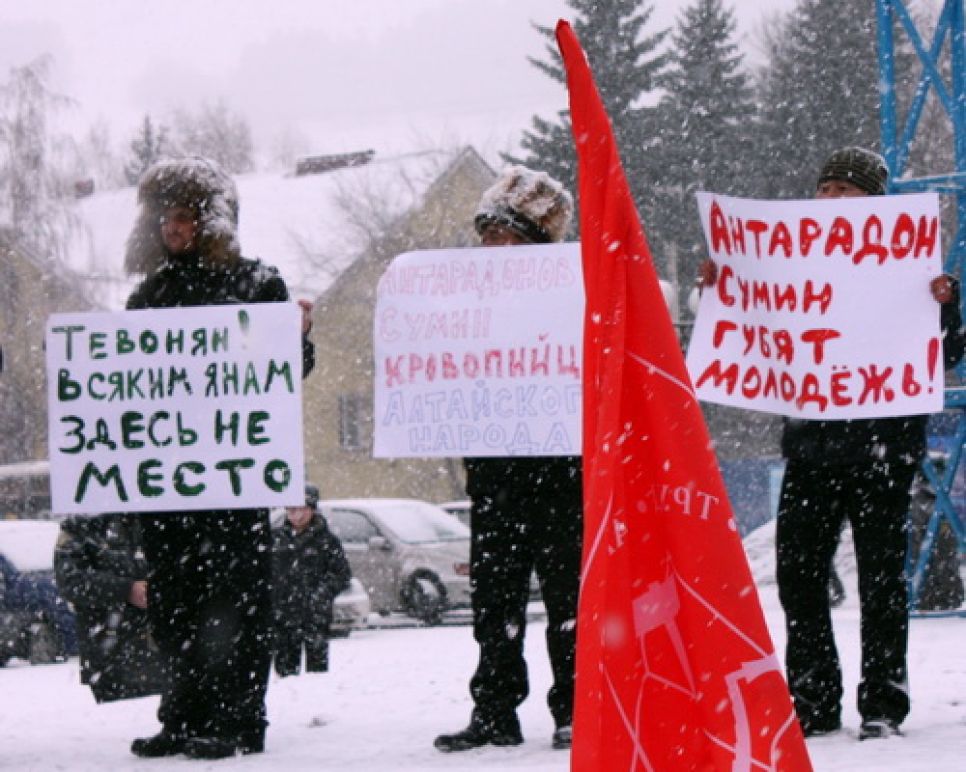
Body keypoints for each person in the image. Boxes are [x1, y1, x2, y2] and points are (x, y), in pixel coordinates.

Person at [698, 147, 964, 741]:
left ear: (874, 202)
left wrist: (946, 306)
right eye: (826, 188)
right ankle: (813, 700)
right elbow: (744, 319)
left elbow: (945, 355)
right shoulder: (785, 259)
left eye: (847, 189)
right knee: (799, 579)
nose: (832, 199)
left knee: (882, 582)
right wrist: (719, 287)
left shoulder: (906, 263)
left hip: (884, 451)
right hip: (811, 450)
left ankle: (882, 703)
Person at [124, 157, 315, 760]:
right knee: (177, 605)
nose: (171, 231)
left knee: (233, 606)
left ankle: (237, 720)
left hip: (233, 484)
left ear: (210, 222)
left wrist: (298, 337)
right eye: (163, 220)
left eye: (182, 218)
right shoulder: (149, 294)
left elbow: (287, 378)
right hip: (171, 485)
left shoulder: (258, 284)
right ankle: (182, 716)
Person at [434, 166, 582, 753]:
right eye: (487, 234)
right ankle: (494, 709)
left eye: (506, 234)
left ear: (537, 240)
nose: (493, 246)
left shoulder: (574, 290)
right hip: (494, 478)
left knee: (569, 602)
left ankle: (576, 707)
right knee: (495, 604)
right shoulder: (464, 298)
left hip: (560, 476)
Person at [54, 513, 166, 702]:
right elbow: (71, 581)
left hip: (163, 653)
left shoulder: (162, 518)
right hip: (113, 658)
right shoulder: (84, 526)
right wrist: (126, 590)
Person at [271, 483, 351, 677]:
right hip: (284, 616)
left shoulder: (326, 541)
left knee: (317, 672)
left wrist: (320, 594)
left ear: (312, 510)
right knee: (285, 673)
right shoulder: (276, 538)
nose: (296, 515)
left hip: (315, 616)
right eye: (291, 509)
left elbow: (341, 574)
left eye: (301, 509)